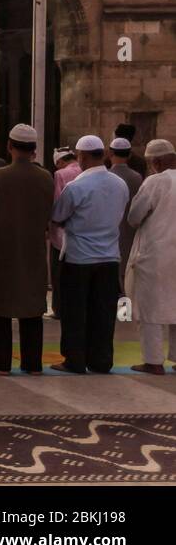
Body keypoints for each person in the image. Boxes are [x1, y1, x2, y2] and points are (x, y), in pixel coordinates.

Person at [0, 124, 55, 376]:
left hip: (2, 249)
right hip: (33, 250)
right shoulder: (46, 177)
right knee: (32, 306)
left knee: (0, 307)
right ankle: (32, 363)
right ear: (34, 149)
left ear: (9, 146)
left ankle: (0, 363)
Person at [51, 135, 129, 374]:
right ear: (103, 153)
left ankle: (74, 360)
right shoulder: (119, 184)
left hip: (78, 258)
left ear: (82, 157)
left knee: (75, 312)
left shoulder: (76, 187)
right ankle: (101, 360)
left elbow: (58, 216)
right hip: (109, 257)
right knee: (104, 312)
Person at [125, 139, 176, 374]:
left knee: (150, 309)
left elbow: (135, 216)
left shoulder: (155, 182)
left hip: (155, 256)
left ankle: (153, 362)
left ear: (155, 161)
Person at [49, 146, 82, 319]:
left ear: (60, 161)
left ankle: (59, 309)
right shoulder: (85, 170)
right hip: (83, 234)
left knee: (59, 274)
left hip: (61, 234)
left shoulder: (60, 175)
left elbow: (57, 204)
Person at [107, 136, 143, 288]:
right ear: (129, 155)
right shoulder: (137, 177)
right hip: (129, 231)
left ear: (110, 154)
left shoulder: (106, 176)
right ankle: (125, 309)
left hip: (109, 232)